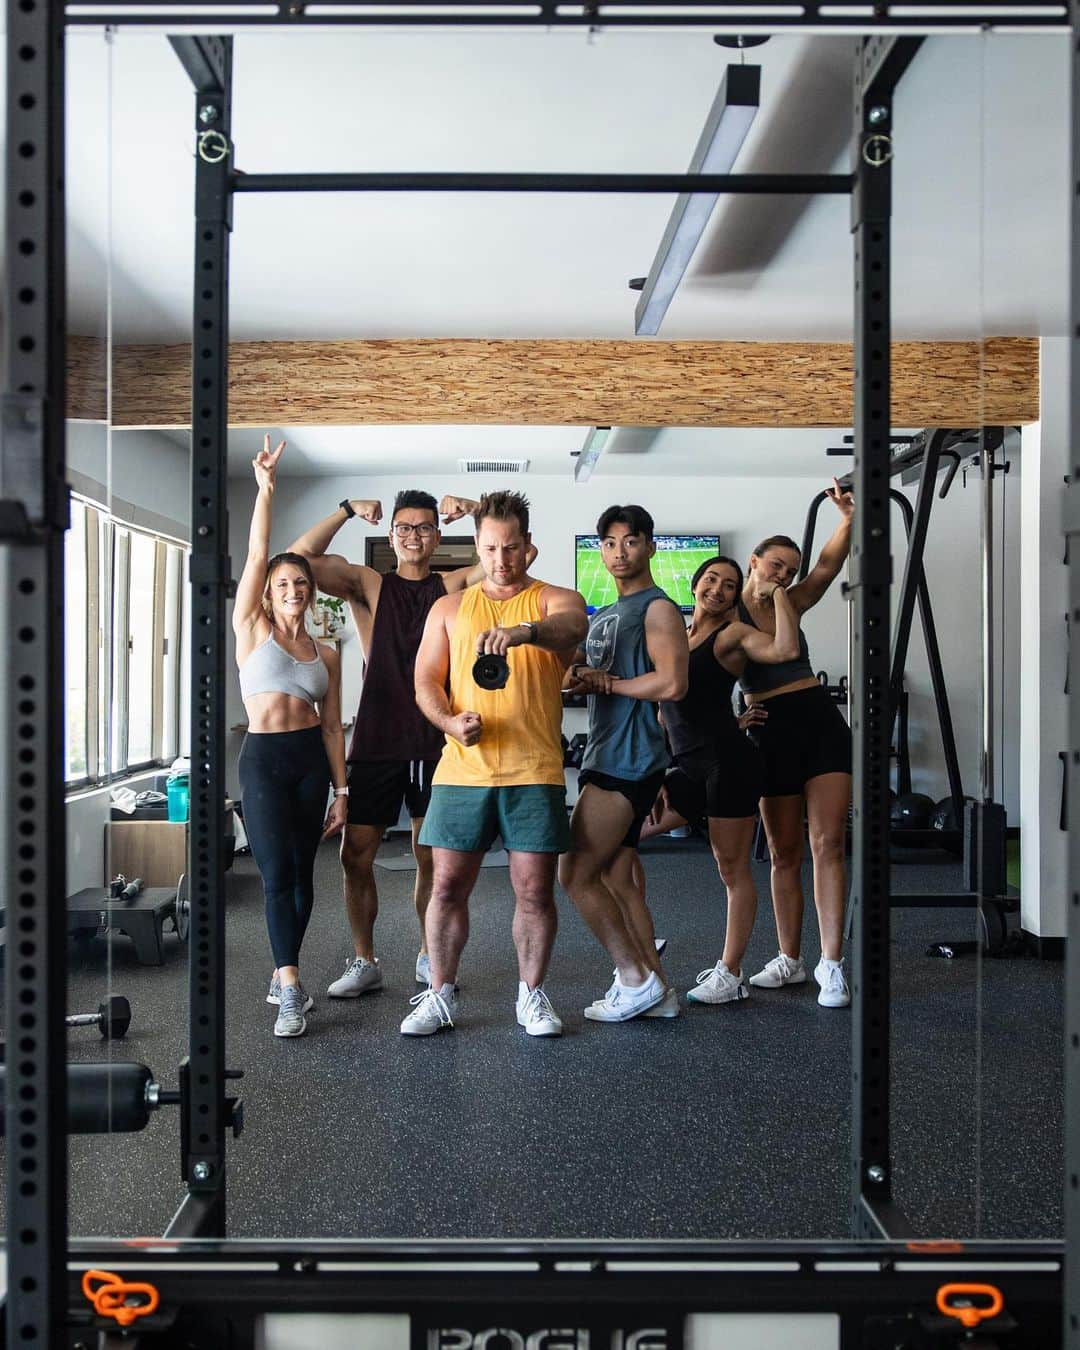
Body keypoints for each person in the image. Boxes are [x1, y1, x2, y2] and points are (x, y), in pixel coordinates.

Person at [288, 490, 523, 998]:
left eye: (423, 528)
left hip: (434, 739)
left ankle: (427, 954)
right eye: (404, 528)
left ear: (438, 536)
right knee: (356, 856)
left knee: (430, 858)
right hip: (376, 740)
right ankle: (364, 959)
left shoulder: (454, 586)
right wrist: (347, 510)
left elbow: (509, 559)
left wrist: (479, 510)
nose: (413, 536)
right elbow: (299, 560)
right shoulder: (370, 585)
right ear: (391, 535)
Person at [405, 490, 587, 1037]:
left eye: (511, 548)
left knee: (534, 891)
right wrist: (448, 723)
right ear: (477, 547)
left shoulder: (555, 599)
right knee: (445, 888)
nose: (500, 560)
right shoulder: (449, 609)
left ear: (529, 548)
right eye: (489, 549)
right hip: (463, 773)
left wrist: (522, 632)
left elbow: (573, 628)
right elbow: (425, 684)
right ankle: (439, 993)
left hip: (534, 770)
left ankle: (531, 995)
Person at [233, 436, 349, 1038]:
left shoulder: (326, 653)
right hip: (264, 761)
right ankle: (291, 985)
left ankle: (286, 975)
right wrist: (266, 491)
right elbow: (257, 554)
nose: (292, 591)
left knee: (304, 877)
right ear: (269, 593)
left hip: (309, 761)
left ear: (310, 592)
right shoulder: (251, 629)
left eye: (300, 584)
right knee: (275, 876)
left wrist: (342, 790)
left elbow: (331, 725)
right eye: (282, 584)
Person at [557, 505, 688, 1023]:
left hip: (628, 758)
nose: (618, 552)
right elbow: (599, 674)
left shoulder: (656, 609)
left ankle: (634, 979)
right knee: (617, 879)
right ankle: (660, 990)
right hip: (608, 751)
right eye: (608, 543)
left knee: (574, 872)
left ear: (650, 546)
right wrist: (581, 676)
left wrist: (608, 684)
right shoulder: (606, 614)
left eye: (630, 541)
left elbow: (673, 683)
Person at [655, 555, 801, 1005]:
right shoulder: (677, 634)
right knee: (620, 839)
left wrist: (778, 594)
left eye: (729, 585)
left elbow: (784, 652)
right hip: (685, 763)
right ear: (695, 583)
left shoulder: (731, 634)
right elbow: (667, 711)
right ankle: (641, 951)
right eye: (711, 579)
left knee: (730, 868)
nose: (717, 589)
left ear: (736, 596)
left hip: (729, 767)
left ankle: (730, 972)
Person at [738, 478, 855, 1008]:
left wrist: (848, 519)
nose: (782, 574)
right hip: (769, 731)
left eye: (789, 568)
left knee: (827, 843)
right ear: (754, 561)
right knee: (784, 853)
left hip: (818, 721)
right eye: (774, 565)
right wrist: (733, 718)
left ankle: (832, 964)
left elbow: (828, 565)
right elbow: (702, 670)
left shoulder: (792, 601)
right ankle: (790, 960)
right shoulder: (726, 617)